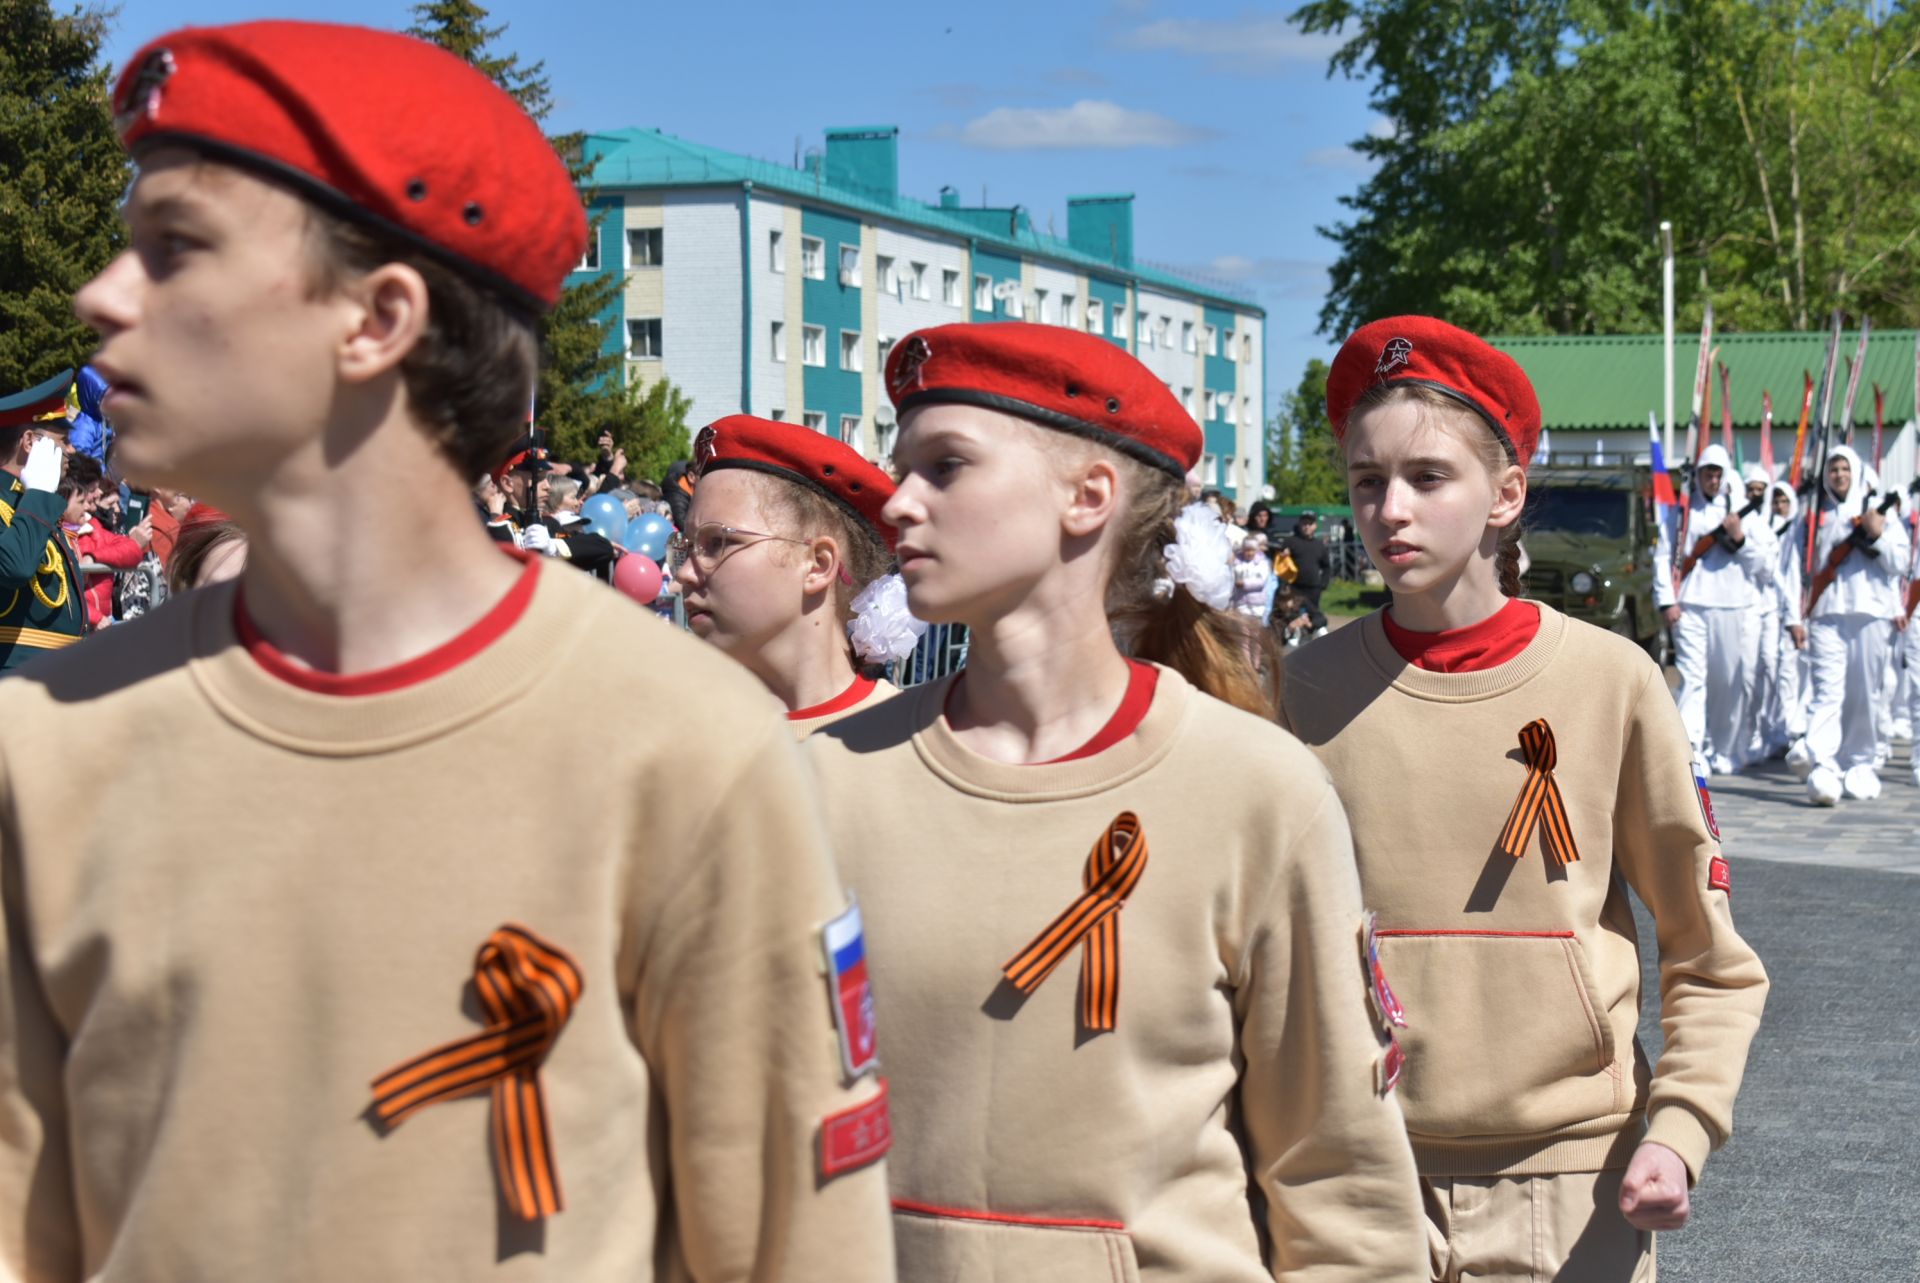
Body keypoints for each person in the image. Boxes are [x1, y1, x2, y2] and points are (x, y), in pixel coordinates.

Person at [4, 20, 894, 1279]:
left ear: (377, 317)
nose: (103, 295)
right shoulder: (48, 739)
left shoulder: (683, 749)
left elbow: (797, 1248)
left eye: (174, 250)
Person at [808, 321, 1426, 1281]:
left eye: (946, 466)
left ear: (1087, 496)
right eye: (903, 468)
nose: (898, 502)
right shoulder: (824, 776)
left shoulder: (1256, 791)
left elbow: (1342, 1185)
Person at [1280, 316, 1768, 1283]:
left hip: (1573, 1180)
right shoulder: (1301, 691)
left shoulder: (1613, 682)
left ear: (1506, 494)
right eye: (1367, 481)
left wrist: (1681, 1126)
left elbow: (1710, 958)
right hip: (1355, 1183)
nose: (1390, 510)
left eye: (1427, 477)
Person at [671, 415, 915, 735]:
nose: (685, 574)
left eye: (717, 542)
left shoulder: (902, 742)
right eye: (685, 547)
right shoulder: (679, 734)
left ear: (818, 564)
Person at [1781, 445, 1911, 804]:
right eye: (1833, 469)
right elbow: (1794, 568)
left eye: (1844, 468)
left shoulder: (1877, 512)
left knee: (1866, 693)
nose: (1839, 474)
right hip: (1826, 615)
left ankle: (1861, 761)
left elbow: (1901, 562)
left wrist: (1878, 534)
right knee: (1828, 692)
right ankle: (1824, 762)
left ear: (1855, 472)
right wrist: (1794, 617)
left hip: (1872, 615)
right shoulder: (1812, 517)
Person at [1653, 444, 1775, 774]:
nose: (1713, 479)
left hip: (1736, 605)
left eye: (1718, 473)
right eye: (1708, 472)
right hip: (1692, 605)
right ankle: (1689, 746)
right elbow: (1665, 555)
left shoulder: (1742, 513)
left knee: (1730, 681)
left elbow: (1765, 565)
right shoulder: (1683, 512)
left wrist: (1738, 539)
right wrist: (1667, 599)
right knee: (1693, 678)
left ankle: (1725, 747)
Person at [0, 378, 86, 669]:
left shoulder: (26, 501)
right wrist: (37, 494)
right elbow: (15, 566)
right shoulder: (25, 500)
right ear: (28, 443)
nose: (71, 452)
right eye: (64, 441)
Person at [1279, 509, 1332, 634]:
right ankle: (1293, 643)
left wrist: (1323, 584)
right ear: (1299, 524)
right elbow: (1280, 564)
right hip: (1295, 588)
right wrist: (1283, 556)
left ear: (1315, 525)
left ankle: (1312, 641)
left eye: (1310, 523)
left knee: (1313, 616)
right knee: (1294, 616)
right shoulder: (1290, 542)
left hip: (1313, 588)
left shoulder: (1319, 545)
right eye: (1304, 523)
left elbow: (1326, 566)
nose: (1306, 526)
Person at [1229, 533, 1271, 618]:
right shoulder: (1237, 562)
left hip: (1257, 604)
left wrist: (1244, 584)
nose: (1249, 553)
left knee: (1255, 628)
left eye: (1252, 550)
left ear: (1256, 550)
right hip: (1241, 602)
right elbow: (1231, 577)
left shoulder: (1262, 563)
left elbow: (1261, 582)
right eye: (1246, 550)